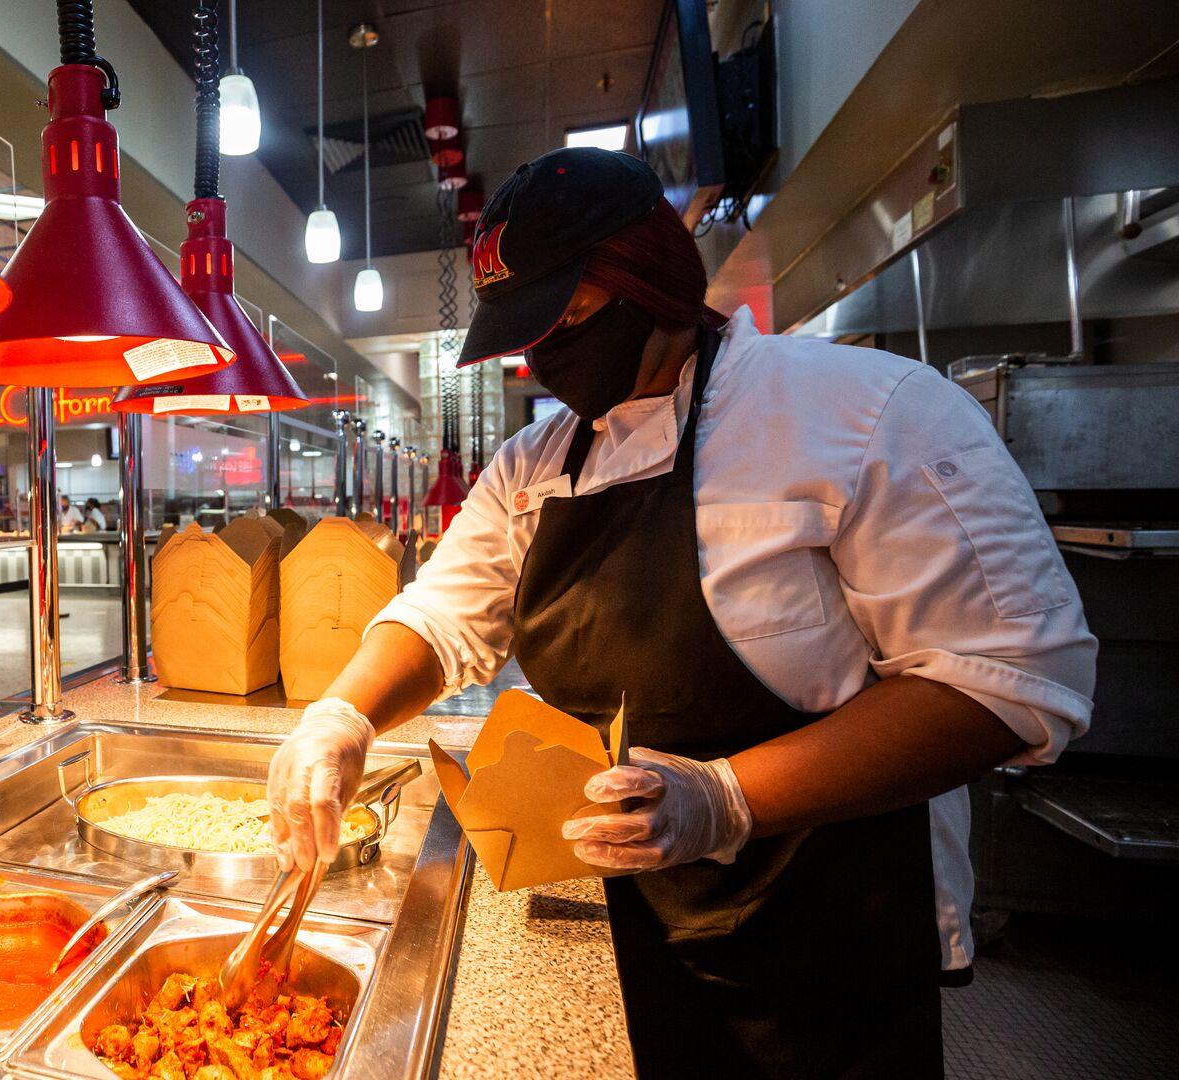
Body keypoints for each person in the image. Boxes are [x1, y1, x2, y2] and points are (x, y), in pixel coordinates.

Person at [264, 148, 1096, 1078]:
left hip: (823, 939)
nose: (546, 356)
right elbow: (442, 616)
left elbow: (1014, 679)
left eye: (567, 319)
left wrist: (726, 800)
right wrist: (341, 718)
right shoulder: (535, 465)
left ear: (647, 281)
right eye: (528, 335)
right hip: (621, 910)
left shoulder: (862, 413)